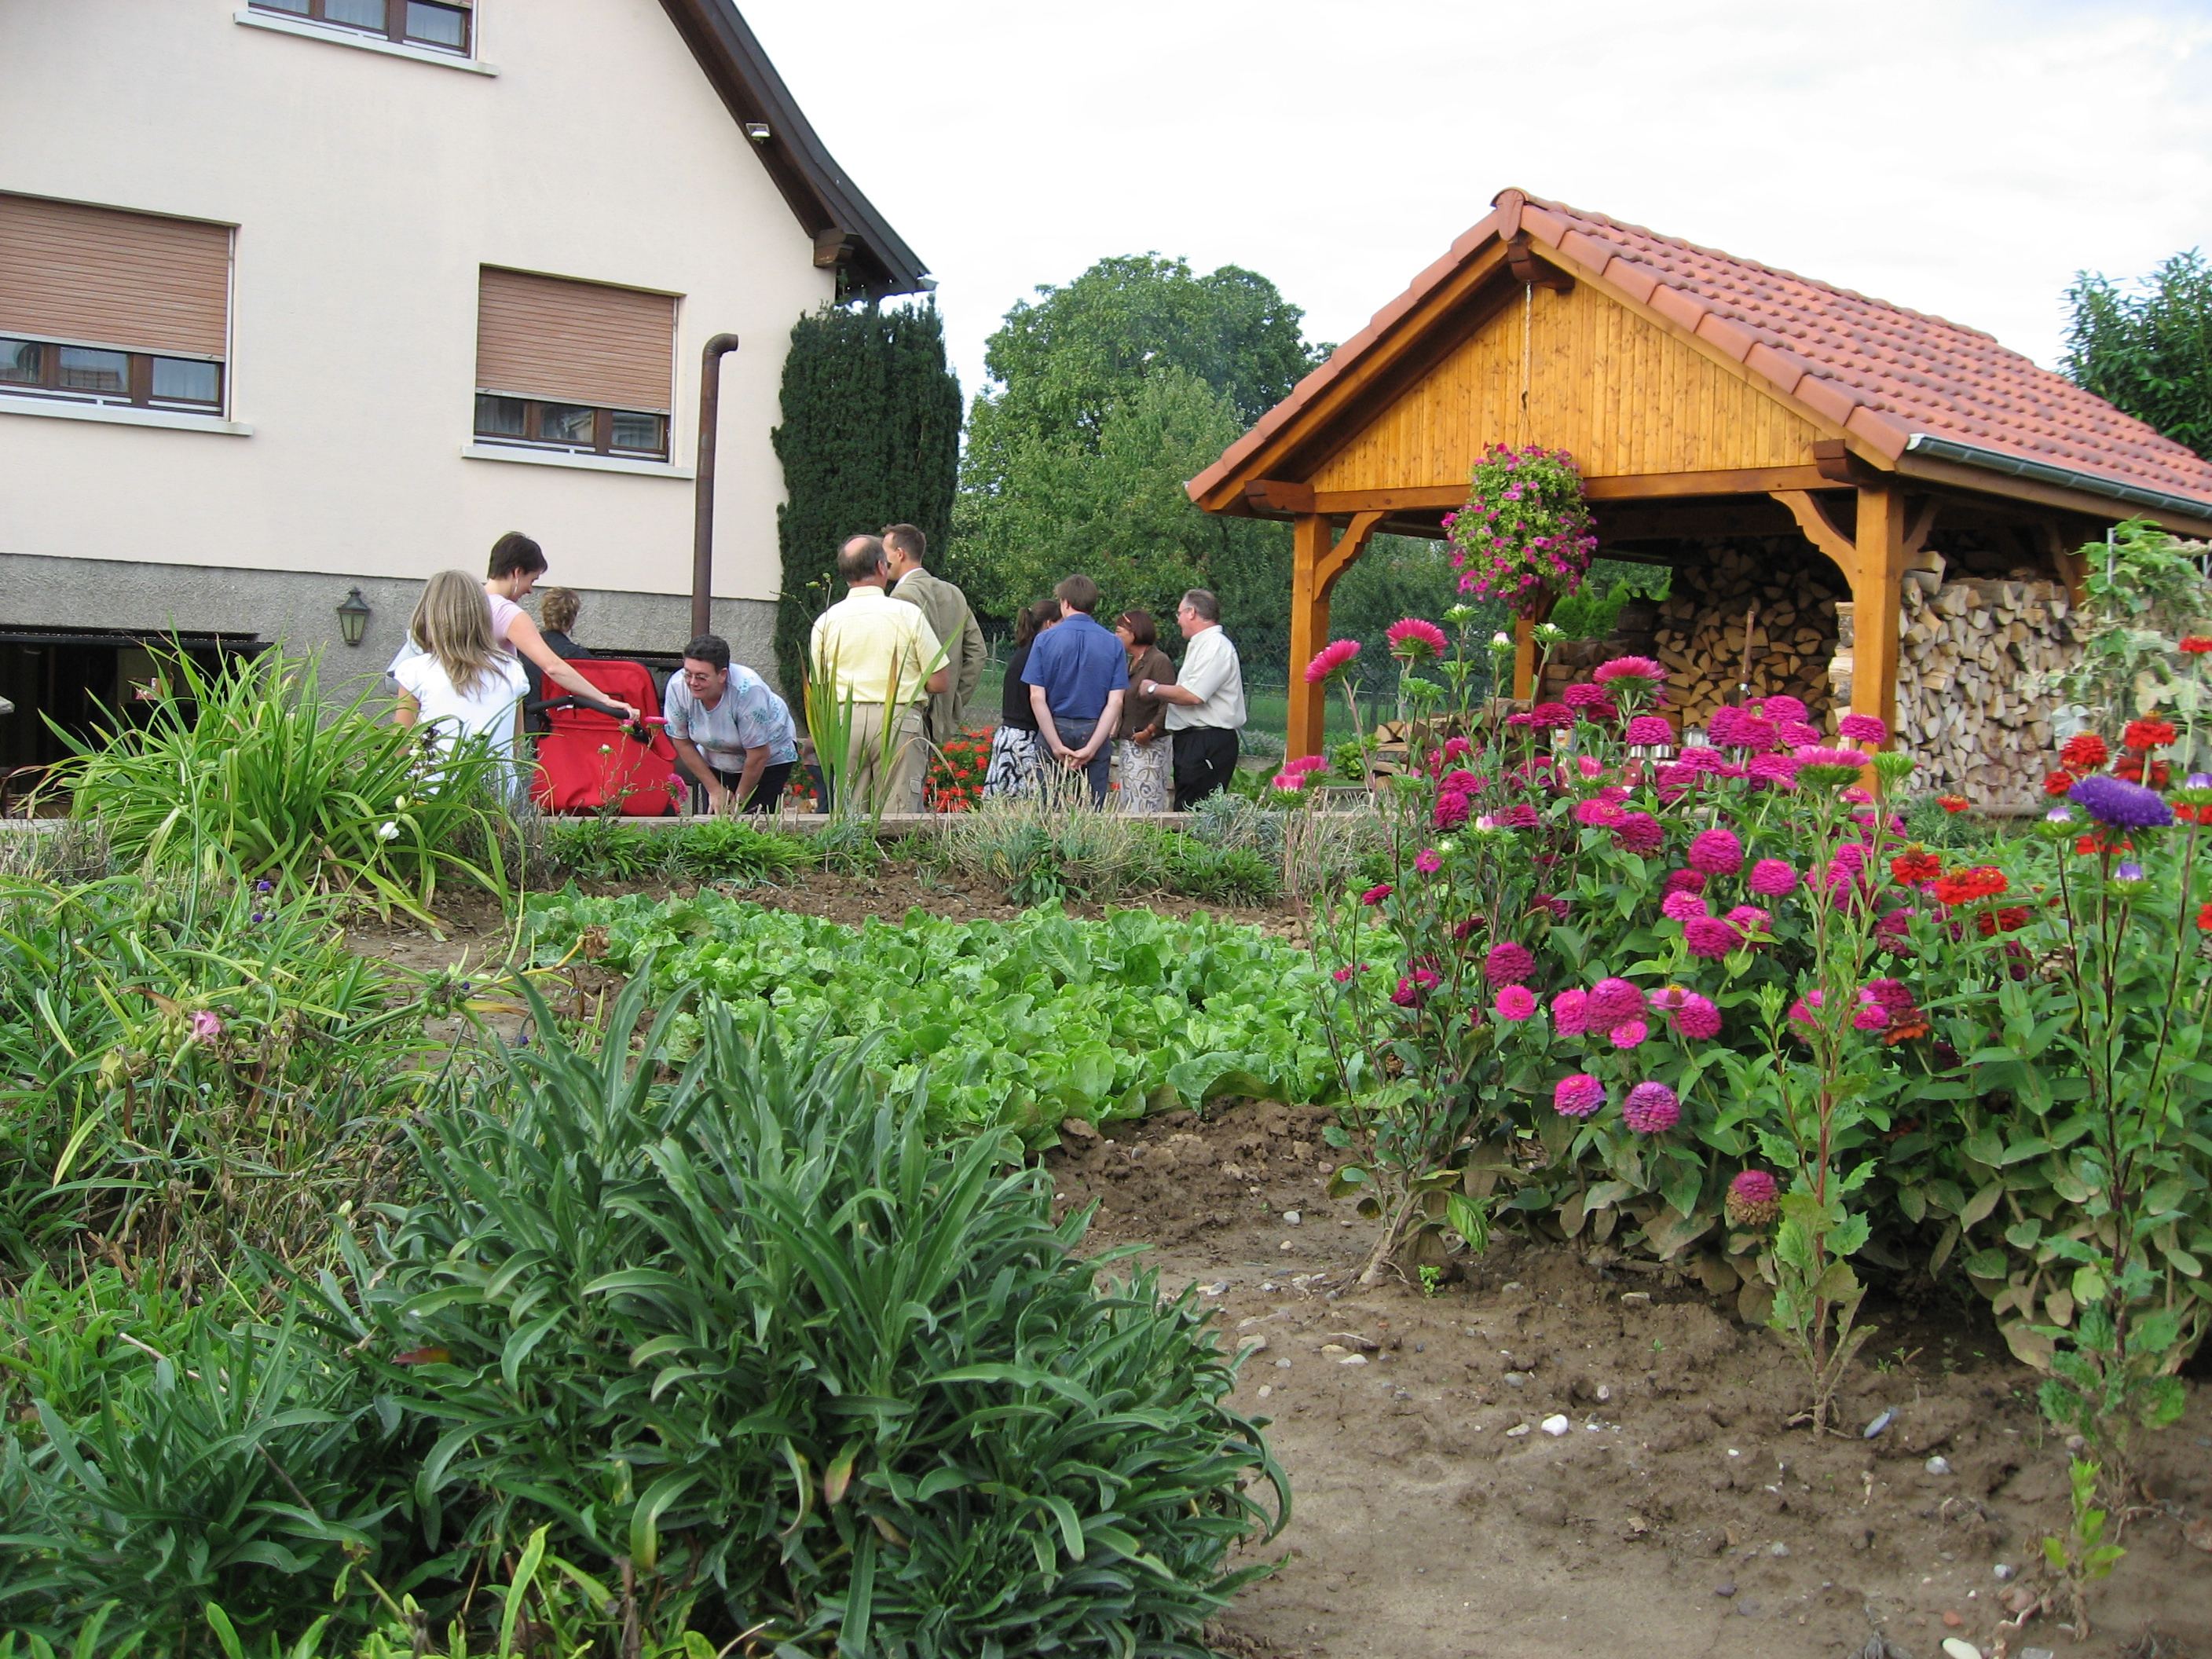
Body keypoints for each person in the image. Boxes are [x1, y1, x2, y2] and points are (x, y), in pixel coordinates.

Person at [808, 534, 948, 814]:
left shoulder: (826, 621)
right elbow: (939, 681)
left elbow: (819, 688)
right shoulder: (907, 614)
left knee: (850, 816)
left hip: (845, 722)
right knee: (899, 816)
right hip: (898, 719)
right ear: (881, 567)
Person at [391, 569, 529, 774]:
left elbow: (399, 750)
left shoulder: (415, 672)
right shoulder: (512, 669)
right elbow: (517, 748)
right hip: (495, 789)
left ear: (429, 615)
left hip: (430, 789)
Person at [1020, 573, 1126, 805]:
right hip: (1095, 728)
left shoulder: (1044, 640)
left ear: (1065, 602)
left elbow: (1036, 697)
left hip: (1054, 726)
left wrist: (1056, 745)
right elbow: (1116, 702)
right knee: (1092, 811)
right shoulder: (1114, 643)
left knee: (1048, 810)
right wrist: (1092, 747)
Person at [665, 634, 799, 815]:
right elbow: (682, 742)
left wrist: (739, 802)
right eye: (688, 674)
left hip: (767, 757)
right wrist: (714, 789)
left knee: (753, 818)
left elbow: (758, 754)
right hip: (717, 758)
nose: (693, 682)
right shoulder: (677, 686)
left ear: (722, 675)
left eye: (702, 677)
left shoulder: (748, 690)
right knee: (716, 816)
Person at [883, 523, 987, 749]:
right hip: (940, 715)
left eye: (885, 552)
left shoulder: (900, 596)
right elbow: (978, 652)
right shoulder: (954, 592)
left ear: (899, 554)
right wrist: (955, 701)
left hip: (909, 713)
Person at [1144, 588, 1247, 808]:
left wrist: (1153, 689)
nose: (1178, 620)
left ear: (1191, 613)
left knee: (1194, 811)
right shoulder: (1203, 644)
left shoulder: (1215, 646)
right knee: (1188, 806)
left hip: (1207, 740)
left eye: (1179, 613)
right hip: (1195, 739)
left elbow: (1193, 695)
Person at [983, 599, 1063, 799]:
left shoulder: (1024, 652)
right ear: (1050, 623)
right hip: (1026, 741)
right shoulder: (1038, 655)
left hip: (1009, 736)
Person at [1113, 609, 1177, 814]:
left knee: (1146, 805)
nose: (1115, 636)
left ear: (1134, 632)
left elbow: (1168, 702)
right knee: (1131, 803)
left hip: (1149, 746)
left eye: (1119, 631)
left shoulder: (1158, 661)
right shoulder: (1131, 663)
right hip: (1130, 744)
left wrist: (1150, 731)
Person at [522, 585, 594, 734]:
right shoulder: (577, 655)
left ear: (543, 613)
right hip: (560, 728)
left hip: (524, 724)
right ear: (572, 618)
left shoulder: (523, 647)